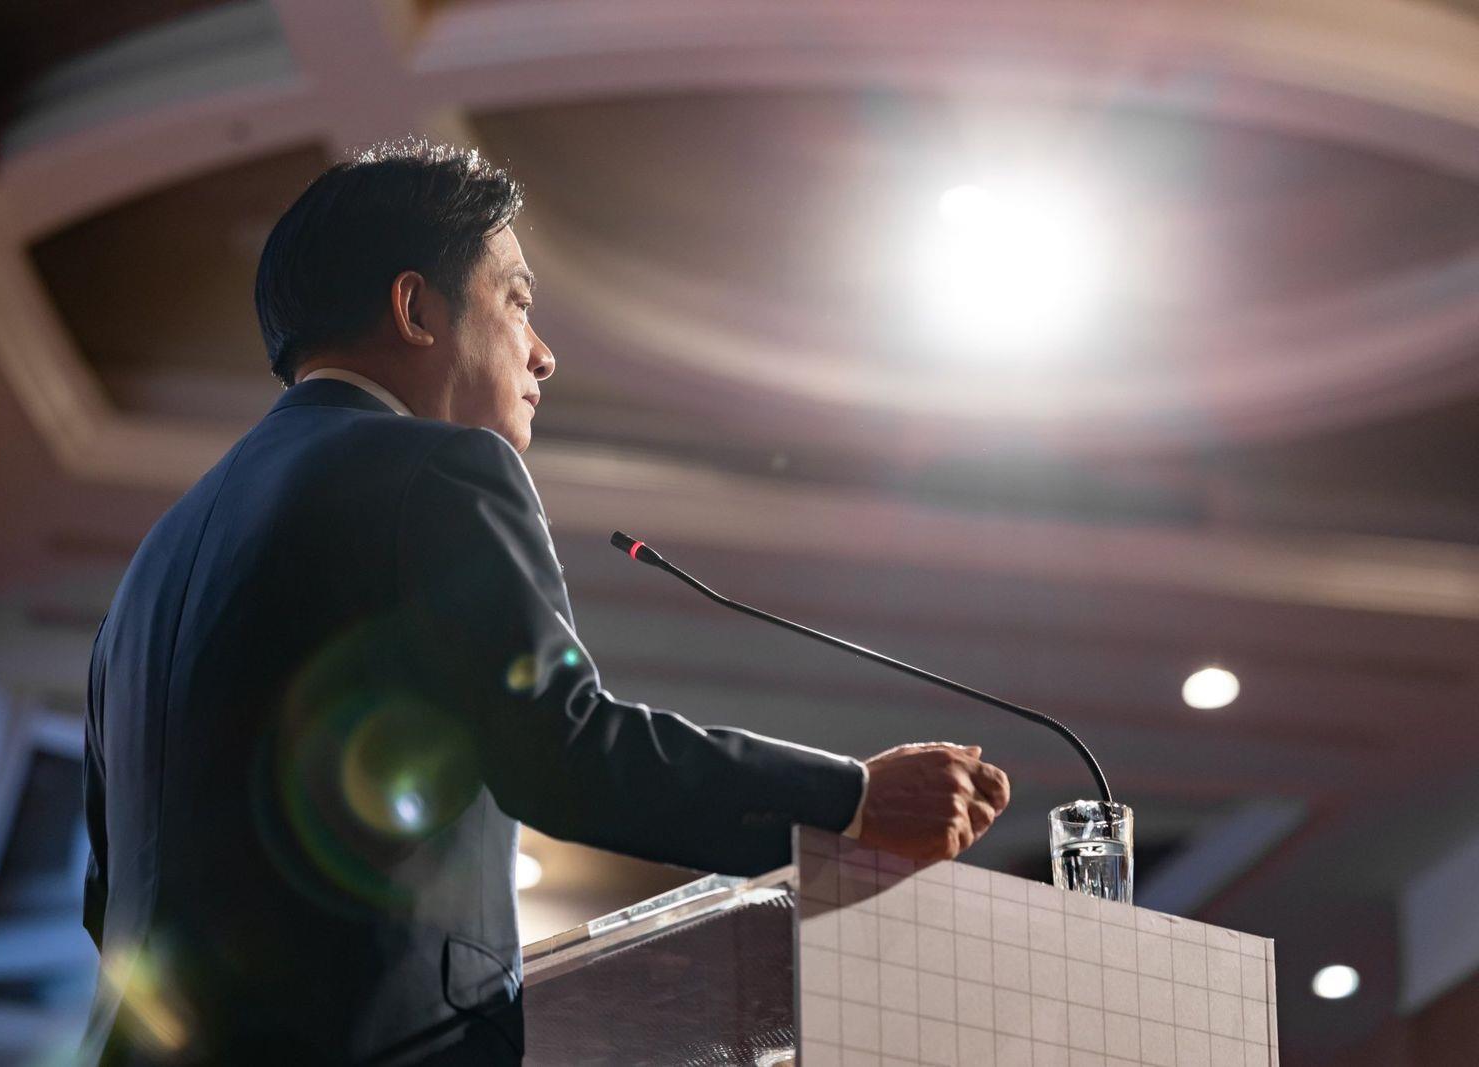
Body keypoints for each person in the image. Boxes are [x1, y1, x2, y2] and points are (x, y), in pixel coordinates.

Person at [80, 139, 1010, 1066]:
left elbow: (104, 892)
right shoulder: (442, 467)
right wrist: (852, 799)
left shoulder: (149, 572)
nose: (544, 352)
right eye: (517, 302)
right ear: (415, 308)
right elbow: (565, 752)